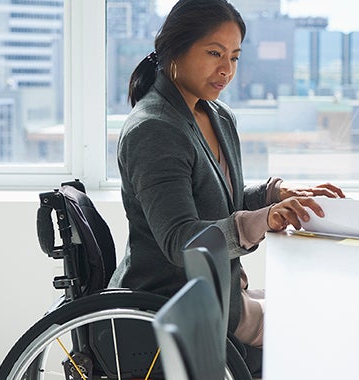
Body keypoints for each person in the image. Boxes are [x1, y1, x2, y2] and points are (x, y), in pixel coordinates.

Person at [110, 0, 345, 348]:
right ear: (175, 49)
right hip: (181, 308)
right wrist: (263, 220)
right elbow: (182, 241)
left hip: (226, 293)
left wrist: (276, 195)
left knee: (328, 304)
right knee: (330, 329)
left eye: (234, 57)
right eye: (214, 53)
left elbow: (218, 201)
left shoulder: (216, 116)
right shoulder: (154, 129)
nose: (227, 70)